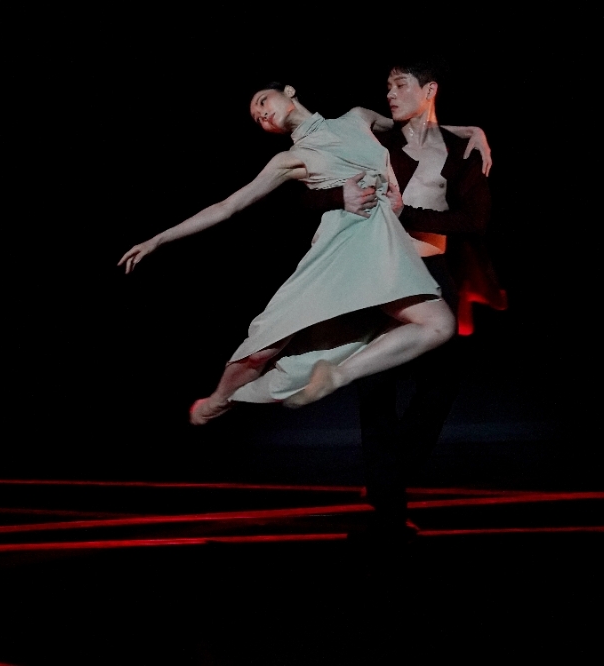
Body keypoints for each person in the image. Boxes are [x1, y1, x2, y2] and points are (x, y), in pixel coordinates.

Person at [119, 83, 490, 426]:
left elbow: (410, 130)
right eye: (257, 118)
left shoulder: (357, 117)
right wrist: (158, 239)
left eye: (262, 102)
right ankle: (219, 399)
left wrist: (469, 131)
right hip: (340, 248)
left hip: (384, 241)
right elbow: (226, 207)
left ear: (289, 91)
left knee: (439, 326)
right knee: (263, 349)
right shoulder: (290, 158)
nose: (261, 114)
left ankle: (337, 375)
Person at [302, 60, 507, 543]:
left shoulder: (459, 149)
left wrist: (406, 211)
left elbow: (474, 221)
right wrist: (340, 197)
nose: (390, 94)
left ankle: (389, 472)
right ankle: (388, 510)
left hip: (430, 275)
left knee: (441, 384)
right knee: (375, 389)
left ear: (429, 89)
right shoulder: (375, 140)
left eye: (400, 85)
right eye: (387, 86)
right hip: (377, 275)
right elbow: (312, 189)